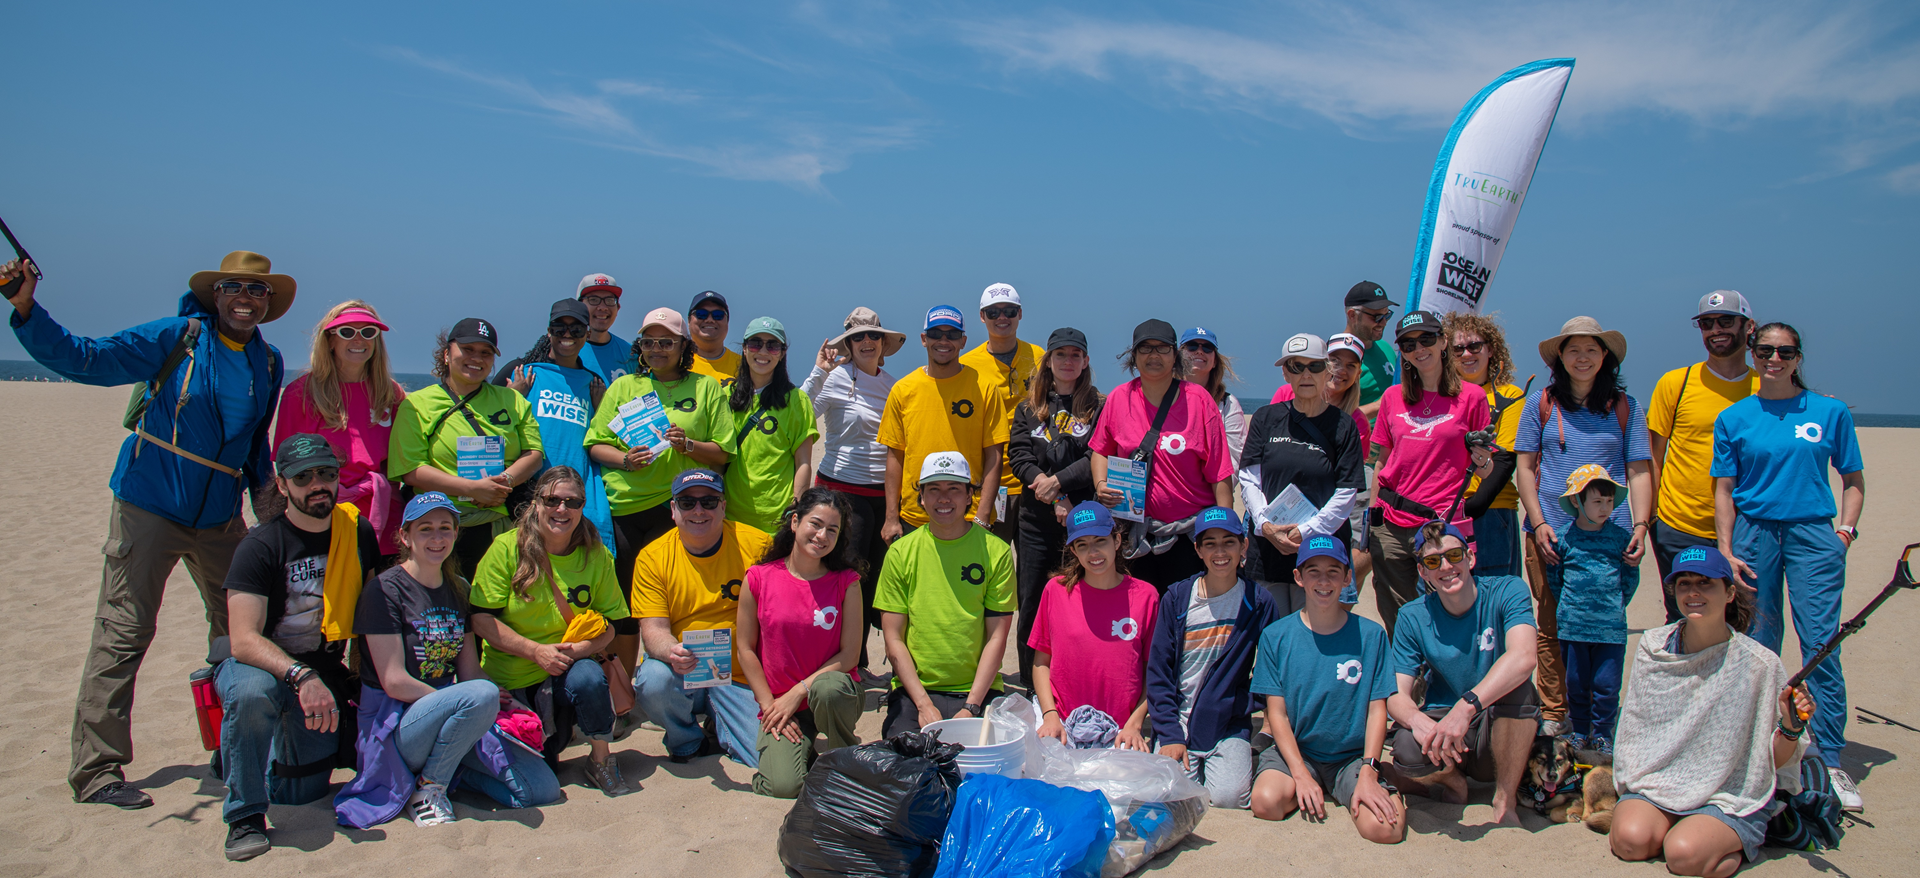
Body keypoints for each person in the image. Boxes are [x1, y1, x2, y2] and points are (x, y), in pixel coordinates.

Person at [7, 250, 290, 809]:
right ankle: (97, 770)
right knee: (124, 631)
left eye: (258, 292)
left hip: (219, 518)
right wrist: (25, 308)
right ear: (216, 294)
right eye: (235, 287)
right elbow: (85, 359)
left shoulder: (270, 361)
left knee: (243, 635)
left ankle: (231, 748)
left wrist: (272, 522)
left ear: (268, 303)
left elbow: (256, 450)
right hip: (149, 504)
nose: (246, 299)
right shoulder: (177, 337)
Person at [336, 492, 561, 830]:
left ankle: (445, 775)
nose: (437, 537)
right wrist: (464, 701)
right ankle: (429, 788)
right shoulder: (384, 591)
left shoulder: (458, 587)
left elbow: (469, 671)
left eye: (445, 528)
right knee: (479, 694)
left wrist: (499, 699)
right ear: (405, 536)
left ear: (457, 534)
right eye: (425, 529)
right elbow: (393, 680)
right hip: (398, 722)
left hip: (451, 717)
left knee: (541, 789)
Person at [1713, 322, 1864, 797]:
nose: (1774, 359)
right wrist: (1725, 547)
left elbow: (1853, 479)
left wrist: (1844, 532)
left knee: (1820, 640)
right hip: (1754, 535)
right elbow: (1724, 488)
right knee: (1758, 640)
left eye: (1785, 351)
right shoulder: (1735, 417)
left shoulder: (1830, 411)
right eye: (1765, 351)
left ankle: (1830, 755)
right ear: (1753, 354)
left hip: (1813, 533)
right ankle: (1761, 742)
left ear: (1799, 357)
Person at [216, 435, 378, 860]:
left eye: (327, 473)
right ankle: (244, 817)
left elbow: (370, 609)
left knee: (298, 790)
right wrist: (300, 675)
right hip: (260, 665)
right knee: (251, 695)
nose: (318, 484)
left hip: (321, 667)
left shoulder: (355, 530)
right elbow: (244, 639)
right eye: (303, 477)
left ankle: (235, 756)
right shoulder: (261, 545)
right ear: (282, 485)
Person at [1611, 548, 1816, 878]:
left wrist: (1791, 726)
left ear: (1730, 592)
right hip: (1659, 781)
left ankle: (1735, 838)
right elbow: (1637, 731)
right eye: (1684, 583)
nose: (1693, 592)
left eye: (1706, 583)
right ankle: (1689, 829)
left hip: (1726, 793)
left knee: (1683, 856)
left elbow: (1771, 763)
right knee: (1629, 841)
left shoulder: (1761, 665)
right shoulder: (1654, 647)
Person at [1514, 316, 1652, 738]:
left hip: (1611, 536)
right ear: (1560, 357)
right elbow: (1525, 467)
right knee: (1552, 623)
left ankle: (1598, 718)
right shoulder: (1541, 403)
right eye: (1573, 350)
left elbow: (1639, 471)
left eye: (1591, 349)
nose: (1582, 358)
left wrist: (1641, 525)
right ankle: (1557, 711)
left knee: (1603, 625)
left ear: (1605, 356)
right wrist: (1538, 523)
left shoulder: (1625, 407)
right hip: (1552, 532)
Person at [468, 467, 633, 797]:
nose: (562, 509)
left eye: (572, 502)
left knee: (587, 676)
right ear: (536, 504)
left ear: (583, 507)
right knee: (544, 767)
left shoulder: (596, 555)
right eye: (553, 500)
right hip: (512, 677)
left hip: (566, 671)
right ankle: (556, 737)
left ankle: (600, 758)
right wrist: (535, 651)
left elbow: (613, 625)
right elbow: (480, 619)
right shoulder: (505, 549)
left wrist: (579, 650)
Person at [586, 306, 733, 673]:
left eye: (666, 341)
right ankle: (626, 682)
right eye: (649, 342)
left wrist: (689, 446)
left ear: (683, 345)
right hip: (627, 507)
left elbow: (725, 451)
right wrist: (624, 459)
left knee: (677, 594)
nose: (657, 348)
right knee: (624, 599)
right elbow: (595, 443)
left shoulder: (705, 387)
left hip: (683, 507)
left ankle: (678, 670)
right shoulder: (623, 386)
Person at [1249, 536, 1404, 844]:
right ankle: (1313, 786)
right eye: (1313, 571)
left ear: (1348, 577)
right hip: (1299, 752)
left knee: (1386, 830)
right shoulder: (1275, 636)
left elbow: (1378, 710)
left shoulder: (1370, 635)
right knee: (1266, 803)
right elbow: (1276, 714)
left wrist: (1369, 772)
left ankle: (1379, 782)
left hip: (1351, 757)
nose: (1323, 580)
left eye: (1334, 571)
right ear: (1298, 577)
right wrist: (1301, 774)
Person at [1383, 521, 1539, 826]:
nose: (1445, 566)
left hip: (1493, 727)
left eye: (1454, 556)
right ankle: (1454, 782)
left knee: (1521, 690)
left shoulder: (1508, 590)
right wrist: (1419, 722)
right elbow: (1395, 695)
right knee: (1404, 746)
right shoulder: (1413, 616)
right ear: (1423, 573)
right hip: (1445, 737)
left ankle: (1504, 801)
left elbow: (1524, 656)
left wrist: (1466, 707)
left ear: (1470, 558)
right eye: (1432, 561)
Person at [631, 469, 774, 764]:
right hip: (685, 672)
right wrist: (673, 653)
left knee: (766, 760)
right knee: (653, 679)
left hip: (742, 676)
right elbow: (653, 631)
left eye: (709, 502)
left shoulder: (758, 546)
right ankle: (686, 741)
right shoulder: (652, 557)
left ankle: (721, 721)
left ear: (723, 506)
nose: (698, 510)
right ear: (673, 509)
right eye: (687, 502)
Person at [1367, 311, 1493, 636]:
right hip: (1390, 523)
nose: (1418, 348)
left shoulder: (1472, 397)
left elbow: (1486, 466)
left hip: (1440, 524)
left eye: (1426, 339)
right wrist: (1371, 517)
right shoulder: (1392, 397)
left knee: (1447, 612)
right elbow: (1382, 462)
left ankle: (1445, 682)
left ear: (1443, 341)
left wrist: (1482, 460)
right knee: (1397, 617)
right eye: (1408, 344)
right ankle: (1409, 685)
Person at [1144, 507, 1279, 809]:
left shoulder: (1258, 602)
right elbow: (1159, 673)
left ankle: (1237, 758)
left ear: (1244, 546)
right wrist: (1168, 734)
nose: (1220, 552)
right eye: (1210, 543)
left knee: (1228, 798)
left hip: (1227, 724)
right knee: (1169, 796)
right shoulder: (1177, 598)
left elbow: (1272, 670)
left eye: (1229, 542)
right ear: (1198, 550)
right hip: (1177, 722)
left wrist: (1241, 702)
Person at [875, 452, 1017, 737]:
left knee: (984, 770)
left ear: (969, 496)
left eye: (953, 489)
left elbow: (996, 637)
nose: (943, 499)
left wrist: (972, 707)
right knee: (907, 768)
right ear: (921, 498)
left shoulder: (996, 551)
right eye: (934, 490)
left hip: (977, 691)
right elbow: (893, 639)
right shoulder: (901, 552)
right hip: (917, 689)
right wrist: (923, 703)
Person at [388, 318, 544, 578]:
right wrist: (472, 489)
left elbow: (534, 454)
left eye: (485, 353)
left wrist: (504, 481)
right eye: (468, 350)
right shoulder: (416, 404)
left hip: (499, 527)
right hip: (439, 527)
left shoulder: (512, 399)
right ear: (447, 354)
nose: (477, 358)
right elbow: (411, 470)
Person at [737, 488, 865, 797]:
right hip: (781, 705)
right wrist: (770, 705)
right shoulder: (758, 577)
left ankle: (844, 762)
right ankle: (806, 757)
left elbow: (849, 656)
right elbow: (744, 649)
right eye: (815, 524)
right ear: (795, 522)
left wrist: (800, 690)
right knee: (782, 786)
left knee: (828, 688)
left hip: (832, 695)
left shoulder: (846, 582)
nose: (822, 535)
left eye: (832, 530)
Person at [1091, 319, 1234, 590]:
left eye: (1162, 348)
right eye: (1145, 349)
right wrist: (1100, 484)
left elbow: (1220, 473)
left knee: (1183, 617)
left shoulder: (1199, 400)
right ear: (1133, 356)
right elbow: (1100, 450)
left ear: (1175, 356)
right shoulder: (1119, 398)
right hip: (1133, 532)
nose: (1154, 355)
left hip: (1187, 537)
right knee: (1139, 614)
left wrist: (1225, 533)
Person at [803, 307, 905, 671]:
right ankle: (849, 664)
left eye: (872, 335)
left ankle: (859, 662)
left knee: (877, 583)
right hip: (842, 492)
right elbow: (801, 415)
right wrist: (819, 372)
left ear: (882, 342)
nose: (866, 342)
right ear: (848, 343)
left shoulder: (895, 384)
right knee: (848, 580)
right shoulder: (836, 377)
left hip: (885, 496)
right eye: (857, 337)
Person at [1648, 291, 1758, 621]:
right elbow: (1654, 454)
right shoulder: (1675, 383)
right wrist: (1653, 518)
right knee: (1685, 619)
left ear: (1749, 326)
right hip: (1679, 525)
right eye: (1707, 323)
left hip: (1746, 528)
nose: (1716, 330)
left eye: (1726, 321)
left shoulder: (1766, 386)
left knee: (1741, 620)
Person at [1239, 333, 1364, 613]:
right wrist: (1265, 526)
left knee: (1315, 634)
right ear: (1285, 373)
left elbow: (1346, 493)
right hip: (1267, 547)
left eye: (1315, 366)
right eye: (1296, 366)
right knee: (1271, 633)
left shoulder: (1344, 426)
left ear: (1327, 370)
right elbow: (1249, 479)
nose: (1306, 374)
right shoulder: (1265, 418)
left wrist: (1305, 532)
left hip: (1319, 551)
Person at [1007, 327, 1105, 683]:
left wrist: (1061, 484)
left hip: (1082, 523)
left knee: (1076, 599)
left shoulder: (1098, 406)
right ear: (1048, 361)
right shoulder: (1028, 408)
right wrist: (1055, 494)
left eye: (1075, 355)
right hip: (1035, 522)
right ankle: (1030, 683)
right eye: (1060, 355)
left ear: (1086, 361)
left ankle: (1072, 675)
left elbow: (1097, 454)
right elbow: (1018, 456)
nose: (1068, 361)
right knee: (1031, 602)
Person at [274, 301, 408, 556]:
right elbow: (284, 465)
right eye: (347, 332)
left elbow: (401, 460)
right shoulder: (300, 393)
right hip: (322, 513)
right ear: (330, 340)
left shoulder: (391, 394)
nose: (359, 340)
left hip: (382, 515)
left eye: (368, 332)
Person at [1029, 502, 1159, 750]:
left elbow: (1152, 672)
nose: (1093, 553)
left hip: (1121, 729)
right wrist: (1049, 714)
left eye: (1100, 540)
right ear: (1074, 551)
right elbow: (1040, 662)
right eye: (1082, 545)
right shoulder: (1056, 591)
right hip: (1063, 722)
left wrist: (1135, 724)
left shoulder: (1146, 596)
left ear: (1117, 541)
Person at [877, 305, 1008, 541]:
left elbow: (994, 456)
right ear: (924, 339)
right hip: (914, 518)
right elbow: (895, 457)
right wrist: (891, 518)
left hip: (967, 518)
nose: (944, 341)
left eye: (953, 335)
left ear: (963, 341)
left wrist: (983, 515)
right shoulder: (903, 390)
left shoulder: (985, 388)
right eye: (936, 334)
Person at [499, 300, 616, 548]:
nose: (567, 335)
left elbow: (601, 437)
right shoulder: (522, 372)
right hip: (527, 493)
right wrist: (514, 398)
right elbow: (489, 427)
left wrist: (600, 407)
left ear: (587, 333)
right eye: (559, 327)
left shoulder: (593, 383)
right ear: (548, 331)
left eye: (575, 329)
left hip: (575, 497)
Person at [1549, 465, 1638, 754]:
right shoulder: (1564, 539)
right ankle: (1579, 730)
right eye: (1597, 501)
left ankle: (1602, 734)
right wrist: (1570, 607)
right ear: (1577, 501)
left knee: (1607, 686)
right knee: (1575, 683)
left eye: (1609, 502)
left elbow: (1629, 578)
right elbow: (1556, 578)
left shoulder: (1619, 538)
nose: (1605, 508)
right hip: (1573, 626)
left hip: (1610, 627)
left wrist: (1613, 605)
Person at [1443, 311, 1527, 578]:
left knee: (1496, 600)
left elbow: (1505, 459)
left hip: (1492, 511)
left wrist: (1472, 508)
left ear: (1490, 349)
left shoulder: (1510, 395)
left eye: (1474, 346)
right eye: (1458, 349)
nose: (1467, 354)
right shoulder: (1440, 398)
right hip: (1445, 509)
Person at [960, 283, 1045, 540]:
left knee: (1033, 567)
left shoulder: (1040, 357)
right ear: (982, 317)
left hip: (1035, 479)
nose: (1002, 318)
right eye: (993, 312)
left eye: (1009, 310)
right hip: (991, 484)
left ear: (1020, 313)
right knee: (990, 559)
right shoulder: (966, 365)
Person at [724, 317, 818, 533]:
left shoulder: (797, 400)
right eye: (756, 343)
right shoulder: (724, 396)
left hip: (778, 518)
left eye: (773, 345)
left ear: (782, 353)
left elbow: (803, 462)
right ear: (745, 349)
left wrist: (797, 506)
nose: (763, 352)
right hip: (730, 516)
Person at [1180, 326, 1248, 466]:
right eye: (1192, 346)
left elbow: (1235, 459)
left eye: (1207, 348)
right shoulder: (1162, 397)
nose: (1199, 351)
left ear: (1215, 361)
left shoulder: (1228, 404)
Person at [1342, 280, 1400, 424]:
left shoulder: (1385, 347)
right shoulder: (1335, 356)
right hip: (1359, 443)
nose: (1384, 322)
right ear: (1352, 315)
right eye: (1377, 317)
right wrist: (1379, 406)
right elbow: (1330, 418)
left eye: (1387, 315)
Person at [578, 272, 635, 381]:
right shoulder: (565, 349)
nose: (602, 307)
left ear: (618, 307)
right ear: (579, 306)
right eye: (593, 300)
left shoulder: (630, 354)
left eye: (609, 300)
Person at [686, 290, 741, 386]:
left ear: (727, 322)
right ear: (689, 321)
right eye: (701, 314)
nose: (709, 320)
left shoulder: (744, 366)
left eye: (718, 315)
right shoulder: (675, 364)